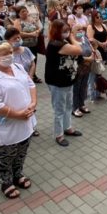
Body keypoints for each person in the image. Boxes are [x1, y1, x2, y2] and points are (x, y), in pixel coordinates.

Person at [0, 42, 37, 199]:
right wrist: (18, 114)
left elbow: (31, 85)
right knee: (7, 155)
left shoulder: (17, 67)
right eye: (4, 54)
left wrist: (32, 103)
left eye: (10, 52)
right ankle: (6, 182)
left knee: (22, 151)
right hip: (7, 125)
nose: (9, 56)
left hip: (26, 119)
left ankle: (18, 174)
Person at [44, 19, 83, 147]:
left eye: (68, 30)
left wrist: (70, 36)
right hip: (57, 81)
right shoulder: (56, 44)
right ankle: (59, 134)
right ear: (57, 31)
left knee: (68, 105)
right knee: (59, 108)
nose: (67, 33)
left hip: (68, 79)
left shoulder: (63, 41)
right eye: (64, 31)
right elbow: (78, 50)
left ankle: (68, 128)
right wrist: (72, 35)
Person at [15, 6, 42, 82]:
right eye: (22, 12)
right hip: (24, 45)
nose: (25, 13)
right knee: (25, 61)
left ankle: (33, 75)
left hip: (34, 44)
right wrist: (31, 34)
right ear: (18, 14)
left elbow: (38, 28)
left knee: (34, 60)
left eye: (25, 11)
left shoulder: (31, 19)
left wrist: (37, 32)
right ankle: (25, 76)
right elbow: (19, 33)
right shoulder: (18, 21)